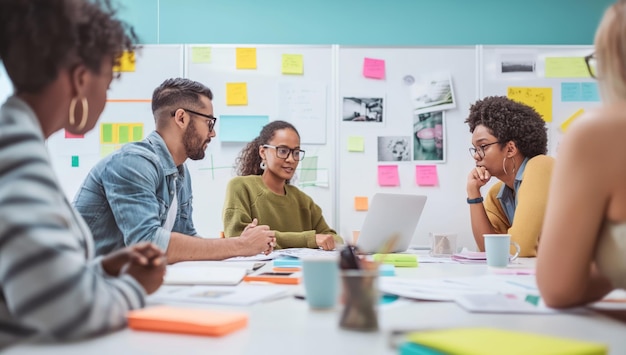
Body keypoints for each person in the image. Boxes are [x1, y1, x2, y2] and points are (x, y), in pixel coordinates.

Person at [0, 0, 166, 347]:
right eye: (106, 86)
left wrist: (102, 270)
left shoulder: (17, 141)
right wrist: (135, 286)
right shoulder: (16, 156)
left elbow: (33, 284)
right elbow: (68, 310)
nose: (105, 100)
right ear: (79, 79)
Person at [73, 78, 275, 263]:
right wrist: (240, 246)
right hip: (80, 286)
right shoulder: (133, 163)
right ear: (181, 118)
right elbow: (147, 244)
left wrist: (242, 242)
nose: (213, 133)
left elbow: (187, 240)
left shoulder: (180, 172)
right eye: (209, 122)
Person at [537, 0, 626, 309]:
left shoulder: (600, 133)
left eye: (482, 145)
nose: (477, 155)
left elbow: (558, 288)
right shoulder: (495, 190)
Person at [223, 120, 343, 250]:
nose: (291, 159)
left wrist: (319, 239)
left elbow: (334, 239)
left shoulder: (303, 201)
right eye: (283, 151)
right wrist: (308, 239)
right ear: (263, 152)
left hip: (299, 270)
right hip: (257, 269)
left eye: (296, 153)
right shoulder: (241, 187)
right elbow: (238, 238)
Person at [466, 96, 554, 257]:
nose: (476, 156)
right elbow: (489, 251)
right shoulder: (498, 193)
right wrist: (473, 193)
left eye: (483, 146)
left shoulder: (541, 166)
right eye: (475, 149)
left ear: (510, 149)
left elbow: (520, 248)